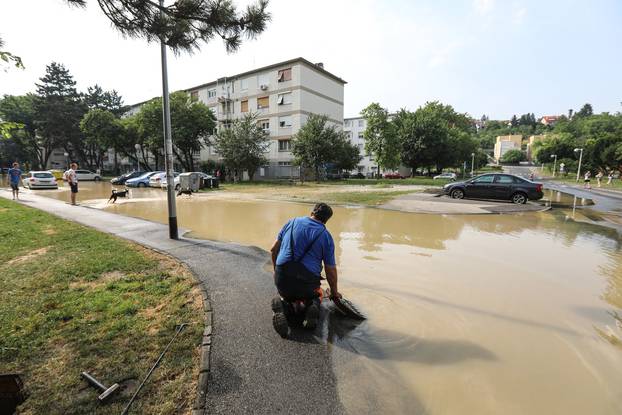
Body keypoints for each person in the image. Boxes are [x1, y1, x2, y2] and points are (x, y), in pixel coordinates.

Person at [269, 203, 340, 337]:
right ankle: (312, 305)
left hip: (282, 278)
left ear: (312, 212)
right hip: (306, 283)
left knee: (286, 295)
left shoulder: (291, 222)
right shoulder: (326, 236)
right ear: (327, 220)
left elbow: (273, 249)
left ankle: (283, 306)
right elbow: (330, 270)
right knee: (319, 293)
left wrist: (276, 272)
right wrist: (334, 293)